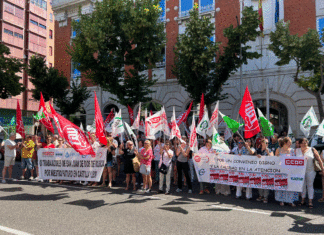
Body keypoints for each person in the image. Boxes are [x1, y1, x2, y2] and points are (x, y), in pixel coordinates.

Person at [297, 138, 324, 208]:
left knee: (310, 185)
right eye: (302, 142)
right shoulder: (297, 151)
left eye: (306, 142)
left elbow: (319, 159)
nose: (304, 143)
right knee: (302, 186)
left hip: (310, 170)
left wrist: (322, 168)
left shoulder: (312, 149)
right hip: (300, 171)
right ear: (299, 144)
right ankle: (302, 200)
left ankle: (310, 202)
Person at [274, 137, 299, 207]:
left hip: (290, 171)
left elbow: (296, 160)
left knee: (290, 185)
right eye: (289, 142)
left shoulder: (292, 150)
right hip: (281, 170)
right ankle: (281, 200)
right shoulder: (278, 149)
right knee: (282, 184)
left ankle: (290, 200)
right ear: (285, 143)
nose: (291, 143)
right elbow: (275, 160)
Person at [256, 138, 273, 203]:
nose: (267, 144)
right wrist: (257, 156)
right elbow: (253, 158)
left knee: (266, 183)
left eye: (267, 143)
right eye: (265, 143)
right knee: (259, 183)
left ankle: (265, 197)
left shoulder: (270, 150)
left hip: (267, 169)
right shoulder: (258, 150)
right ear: (262, 143)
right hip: (259, 169)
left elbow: (273, 158)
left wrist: (268, 152)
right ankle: (261, 195)